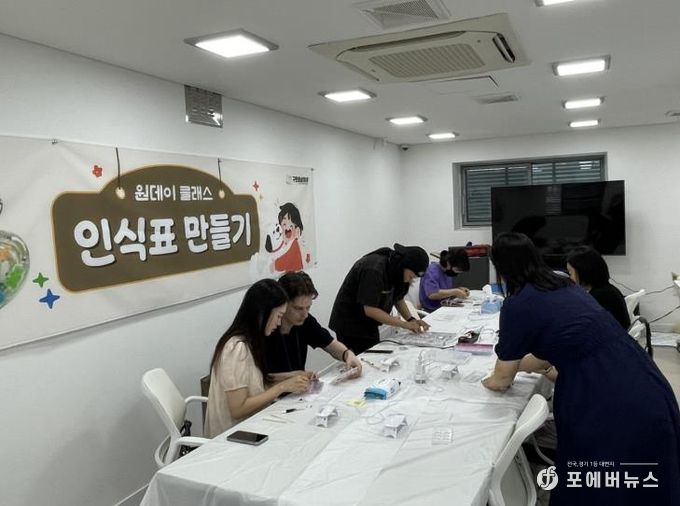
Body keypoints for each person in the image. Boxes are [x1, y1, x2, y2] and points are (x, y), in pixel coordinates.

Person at [482, 232, 680, 505]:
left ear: (501, 269)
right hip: (640, 379)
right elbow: (545, 357)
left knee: (602, 482)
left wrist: (484, 379)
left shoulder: (518, 304)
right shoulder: (562, 284)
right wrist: (513, 365)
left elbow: (502, 380)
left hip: (604, 398)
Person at [204, 279, 312, 438]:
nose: (279, 323)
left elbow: (255, 382)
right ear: (263, 314)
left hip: (252, 426)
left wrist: (292, 376)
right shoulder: (237, 348)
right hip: (232, 436)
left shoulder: (252, 341)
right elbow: (238, 409)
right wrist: (283, 386)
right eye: (278, 316)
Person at [329, 243, 431, 354]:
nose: (409, 281)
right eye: (411, 276)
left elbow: (398, 298)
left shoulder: (397, 270)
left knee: (373, 354)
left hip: (368, 322)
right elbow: (370, 310)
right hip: (349, 322)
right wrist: (404, 324)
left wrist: (411, 320)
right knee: (361, 359)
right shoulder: (374, 269)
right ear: (404, 265)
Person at [265, 271, 362, 378]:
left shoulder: (306, 321)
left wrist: (347, 354)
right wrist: (293, 376)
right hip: (276, 388)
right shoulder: (267, 329)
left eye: (308, 307)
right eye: (298, 308)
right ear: (282, 304)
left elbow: (330, 344)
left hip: (298, 386)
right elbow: (261, 380)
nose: (305, 314)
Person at [566, 246, 630, 329]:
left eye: (570, 273)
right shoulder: (608, 290)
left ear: (583, 272)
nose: (570, 278)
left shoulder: (599, 297)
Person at [418, 247, 471, 312]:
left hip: (444, 305)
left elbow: (445, 291)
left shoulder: (446, 272)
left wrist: (459, 290)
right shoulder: (431, 271)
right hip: (432, 310)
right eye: (457, 270)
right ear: (448, 264)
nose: (457, 273)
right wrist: (455, 291)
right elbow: (432, 294)